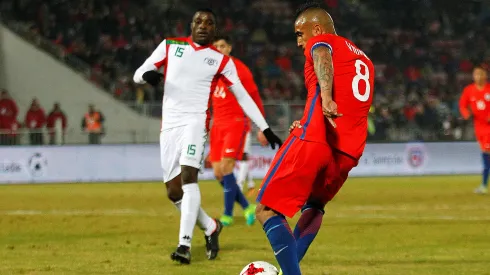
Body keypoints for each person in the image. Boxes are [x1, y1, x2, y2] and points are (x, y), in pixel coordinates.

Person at [133, 9, 282, 264]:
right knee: (173, 191)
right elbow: (138, 74)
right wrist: (150, 77)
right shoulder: (171, 46)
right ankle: (211, 226)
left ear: (214, 31)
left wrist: (264, 126)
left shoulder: (221, 61)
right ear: (190, 25)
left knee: (190, 178)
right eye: (199, 21)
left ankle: (184, 245)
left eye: (209, 23)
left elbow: (243, 95)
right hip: (169, 126)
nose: (203, 25)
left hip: (196, 124)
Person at [254, 3, 374, 274]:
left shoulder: (321, 41)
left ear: (316, 29)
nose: (299, 42)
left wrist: (326, 98)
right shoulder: (363, 60)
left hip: (316, 139)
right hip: (347, 153)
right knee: (314, 206)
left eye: (300, 34)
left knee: (266, 209)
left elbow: (321, 54)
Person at [210, 34, 268, 227]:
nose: (219, 49)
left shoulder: (240, 70)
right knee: (218, 173)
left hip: (235, 122)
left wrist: (262, 126)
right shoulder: (209, 69)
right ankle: (246, 206)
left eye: (222, 45)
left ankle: (227, 214)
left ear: (229, 48)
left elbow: (254, 97)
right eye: (216, 46)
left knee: (227, 168)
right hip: (217, 124)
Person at [459, 66, 490, 194]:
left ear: (485, 76)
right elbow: (462, 105)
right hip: (479, 127)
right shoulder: (469, 90)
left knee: (487, 153)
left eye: (480, 74)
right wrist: (466, 113)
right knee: (485, 155)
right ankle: (483, 185)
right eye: (475, 74)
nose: (477, 76)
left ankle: (483, 185)